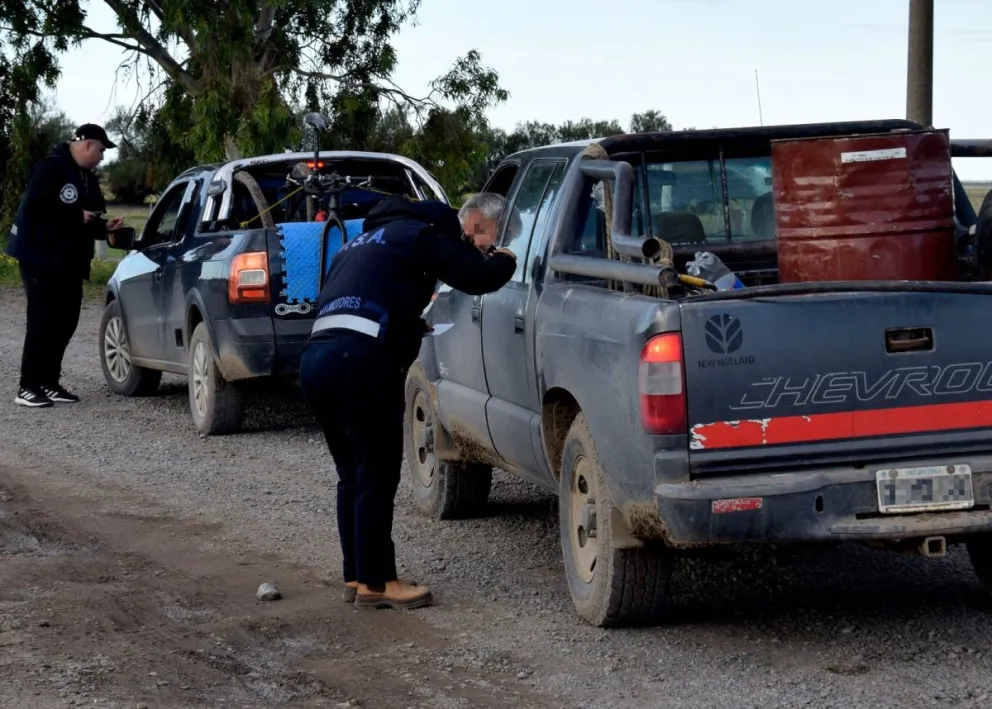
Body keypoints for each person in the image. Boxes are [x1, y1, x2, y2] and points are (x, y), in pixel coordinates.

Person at [299, 192, 516, 611]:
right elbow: (480, 276)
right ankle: (380, 584)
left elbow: (366, 294)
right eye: (476, 234)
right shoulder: (426, 235)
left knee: (353, 475)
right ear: (460, 223)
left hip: (316, 360)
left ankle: (358, 577)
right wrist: (506, 256)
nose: (477, 242)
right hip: (358, 362)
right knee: (377, 474)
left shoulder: (364, 240)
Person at [5, 123, 124, 408]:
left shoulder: (86, 178)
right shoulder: (51, 168)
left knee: (66, 321)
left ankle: (49, 382)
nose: (102, 156)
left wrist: (104, 226)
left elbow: (87, 218)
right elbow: (34, 209)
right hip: (40, 257)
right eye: (101, 149)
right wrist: (74, 215)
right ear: (87, 144)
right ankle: (28, 386)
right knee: (42, 320)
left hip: (69, 261)